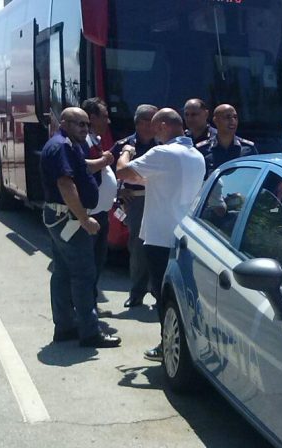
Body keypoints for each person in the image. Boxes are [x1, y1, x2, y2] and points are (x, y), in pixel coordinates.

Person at [115, 108, 205, 362]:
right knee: (181, 295)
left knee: (162, 296)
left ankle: (168, 346)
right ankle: (181, 344)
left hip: (160, 238)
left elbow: (123, 172)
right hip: (184, 235)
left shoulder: (163, 153)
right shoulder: (195, 154)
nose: (153, 135)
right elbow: (160, 181)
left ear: (164, 126)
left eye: (156, 129)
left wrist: (126, 152)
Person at [40, 107, 120, 348]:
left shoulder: (69, 145)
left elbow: (81, 169)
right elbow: (66, 184)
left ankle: (65, 327)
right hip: (69, 220)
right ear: (63, 123)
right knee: (84, 274)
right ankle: (89, 332)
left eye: (86, 124)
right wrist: (84, 219)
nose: (84, 128)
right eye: (78, 124)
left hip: (62, 218)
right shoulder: (62, 145)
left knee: (64, 272)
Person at [110, 104, 159, 308]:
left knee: (161, 246)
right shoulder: (125, 146)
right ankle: (137, 293)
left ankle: (159, 293)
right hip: (137, 201)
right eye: (149, 121)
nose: (153, 125)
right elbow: (106, 172)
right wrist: (118, 191)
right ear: (138, 123)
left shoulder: (163, 145)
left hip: (161, 199)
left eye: (155, 120)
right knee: (138, 248)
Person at [81, 97, 118, 317]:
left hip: (101, 213)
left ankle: (91, 306)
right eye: (104, 116)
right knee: (88, 265)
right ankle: (86, 311)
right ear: (92, 117)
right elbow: (81, 167)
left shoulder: (95, 139)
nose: (109, 120)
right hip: (91, 215)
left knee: (96, 264)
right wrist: (104, 161)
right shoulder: (84, 141)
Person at [201, 104, 258, 179]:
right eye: (227, 117)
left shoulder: (249, 148)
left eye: (235, 117)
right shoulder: (202, 149)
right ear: (216, 120)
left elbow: (255, 177)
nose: (233, 121)